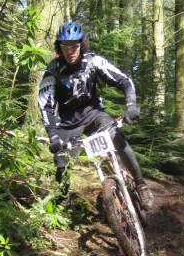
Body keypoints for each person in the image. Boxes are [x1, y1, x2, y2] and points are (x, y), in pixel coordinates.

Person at [38, 21, 155, 210]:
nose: (70, 51)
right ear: (59, 47)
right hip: (67, 122)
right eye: (65, 46)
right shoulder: (53, 71)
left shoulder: (93, 62)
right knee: (62, 163)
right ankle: (62, 202)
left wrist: (131, 105)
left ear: (81, 45)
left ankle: (141, 185)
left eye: (74, 46)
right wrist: (52, 134)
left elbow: (124, 81)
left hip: (94, 114)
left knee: (118, 139)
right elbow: (45, 105)